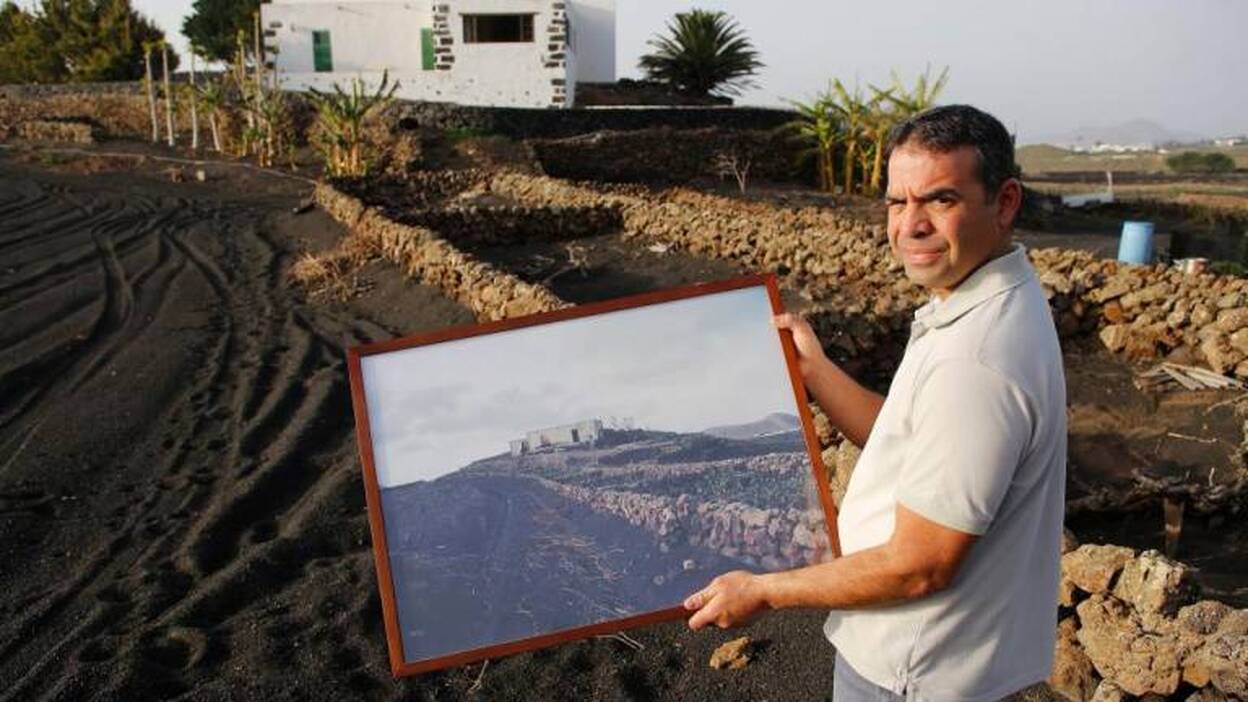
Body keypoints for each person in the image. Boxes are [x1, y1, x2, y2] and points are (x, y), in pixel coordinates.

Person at [682, 105, 1067, 702]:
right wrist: (816, 371)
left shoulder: (975, 359)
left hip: (915, 673)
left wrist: (763, 589)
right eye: (897, 202)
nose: (910, 225)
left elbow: (920, 565)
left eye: (940, 199)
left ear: (1006, 201)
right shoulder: (980, 301)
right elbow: (908, 443)